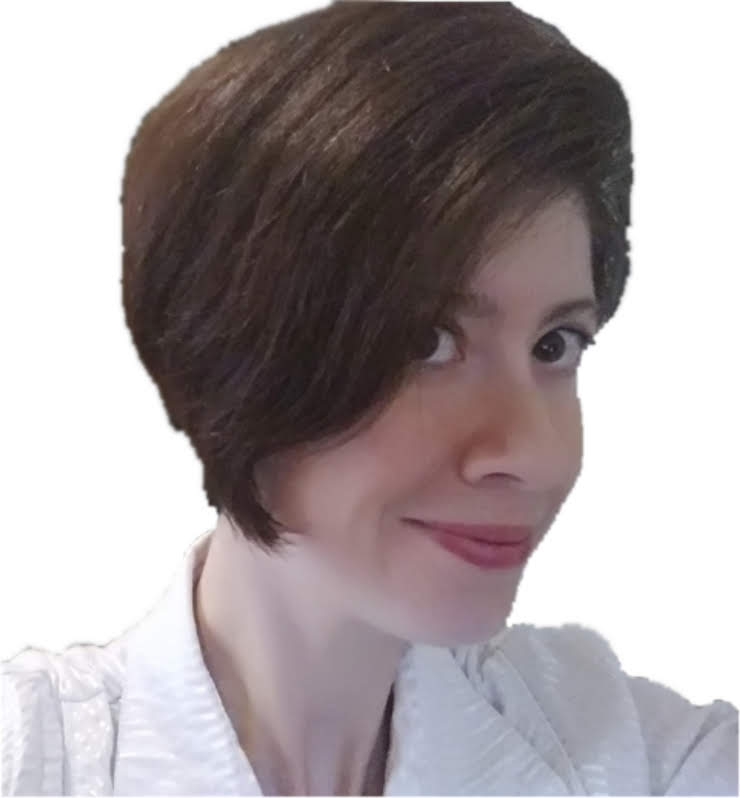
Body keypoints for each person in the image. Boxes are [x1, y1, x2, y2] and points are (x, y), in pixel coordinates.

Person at [2, 2, 737, 795]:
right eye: (428, 341)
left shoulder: (639, 758)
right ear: (234, 346)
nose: (532, 453)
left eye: (554, 345)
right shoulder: (35, 757)